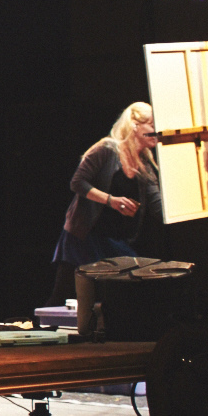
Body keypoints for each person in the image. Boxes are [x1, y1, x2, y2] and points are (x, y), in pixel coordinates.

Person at [52, 102, 162, 305]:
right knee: (65, 291)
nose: (157, 130)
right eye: (152, 124)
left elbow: (157, 204)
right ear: (135, 126)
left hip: (113, 239)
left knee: (131, 283)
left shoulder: (144, 164)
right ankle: (44, 331)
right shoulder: (107, 149)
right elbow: (77, 183)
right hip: (85, 236)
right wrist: (111, 201)